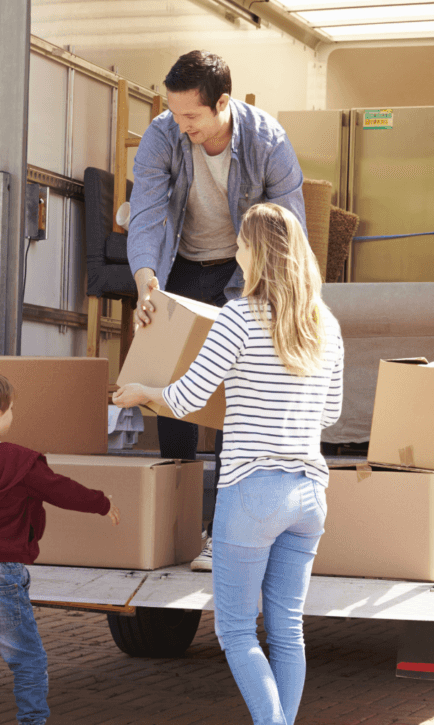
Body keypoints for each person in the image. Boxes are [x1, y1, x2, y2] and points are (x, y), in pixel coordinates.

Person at [114, 203, 343, 725]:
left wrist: (142, 393)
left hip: (252, 491)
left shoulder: (238, 317)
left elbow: (189, 396)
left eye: (241, 244)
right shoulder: (325, 324)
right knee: (286, 628)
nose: (235, 253)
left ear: (257, 252)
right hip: (309, 492)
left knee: (237, 631)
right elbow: (329, 412)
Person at [127, 49, 306, 571]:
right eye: (174, 113)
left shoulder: (267, 141)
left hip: (244, 270)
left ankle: (223, 535)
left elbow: (287, 227)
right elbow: (147, 213)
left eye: (191, 117)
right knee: (171, 385)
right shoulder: (164, 135)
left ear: (222, 103)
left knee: (236, 396)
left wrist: (266, 299)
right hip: (179, 265)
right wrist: (145, 281)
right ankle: (176, 527)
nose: (180, 126)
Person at [0, 370, 121, 725]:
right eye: (12, 409)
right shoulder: (19, 461)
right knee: (27, 659)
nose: (13, 416)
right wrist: (101, 503)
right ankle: (32, 721)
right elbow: (60, 489)